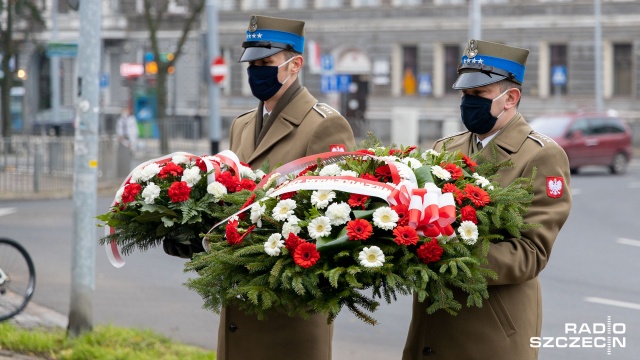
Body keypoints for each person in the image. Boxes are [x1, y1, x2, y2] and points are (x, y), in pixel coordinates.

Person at [164, 14, 356, 360]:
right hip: (239, 312)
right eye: (251, 63)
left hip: (289, 319)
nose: (256, 72)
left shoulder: (324, 126)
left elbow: (332, 228)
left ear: (294, 64)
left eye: (266, 63)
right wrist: (198, 236)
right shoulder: (243, 125)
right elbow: (230, 204)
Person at [402, 40, 572, 360]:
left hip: (489, 331)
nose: (468, 103)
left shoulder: (541, 155)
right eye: (465, 94)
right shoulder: (444, 149)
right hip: (432, 325)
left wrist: (451, 249)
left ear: (510, 98)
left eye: (479, 95)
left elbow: (530, 253)